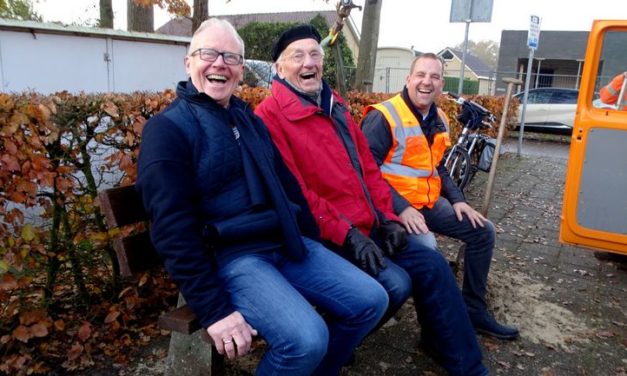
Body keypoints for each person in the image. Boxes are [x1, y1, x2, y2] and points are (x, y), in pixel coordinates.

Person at [136, 18, 389, 376]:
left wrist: (333, 238)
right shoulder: (168, 130)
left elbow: (288, 190)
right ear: (188, 62)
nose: (220, 63)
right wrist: (215, 310)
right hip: (232, 259)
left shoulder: (247, 120)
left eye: (231, 57)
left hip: (282, 243)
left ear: (241, 70)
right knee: (307, 339)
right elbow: (172, 230)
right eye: (208, 53)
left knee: (372, 299)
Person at [255, 25, 488, 375]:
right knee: (395, 283)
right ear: (279, 68)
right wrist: (348, 234)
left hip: (370, 224)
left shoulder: (335, 107)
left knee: (432, 265)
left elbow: (369, 172)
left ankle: (464, 363)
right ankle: (328, 358)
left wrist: (389, 218)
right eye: (297, 56)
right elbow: (298, 195)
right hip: (327, 235)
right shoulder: (270, 117)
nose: (309, 62)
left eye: (315, 54)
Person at [360, 52, 519, 340]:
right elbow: (364, 173)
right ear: (408, 79)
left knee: (484, 232)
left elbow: (438, 166)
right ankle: (432, 331)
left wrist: (458, 200)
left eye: (434, 77)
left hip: (427, 203)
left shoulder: (440, 117)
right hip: (390, 208)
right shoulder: (383, 117)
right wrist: (402, 208)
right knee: (428, 249)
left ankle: (474, 310)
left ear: (441, 83)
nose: (426, 82)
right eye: (421, 75)